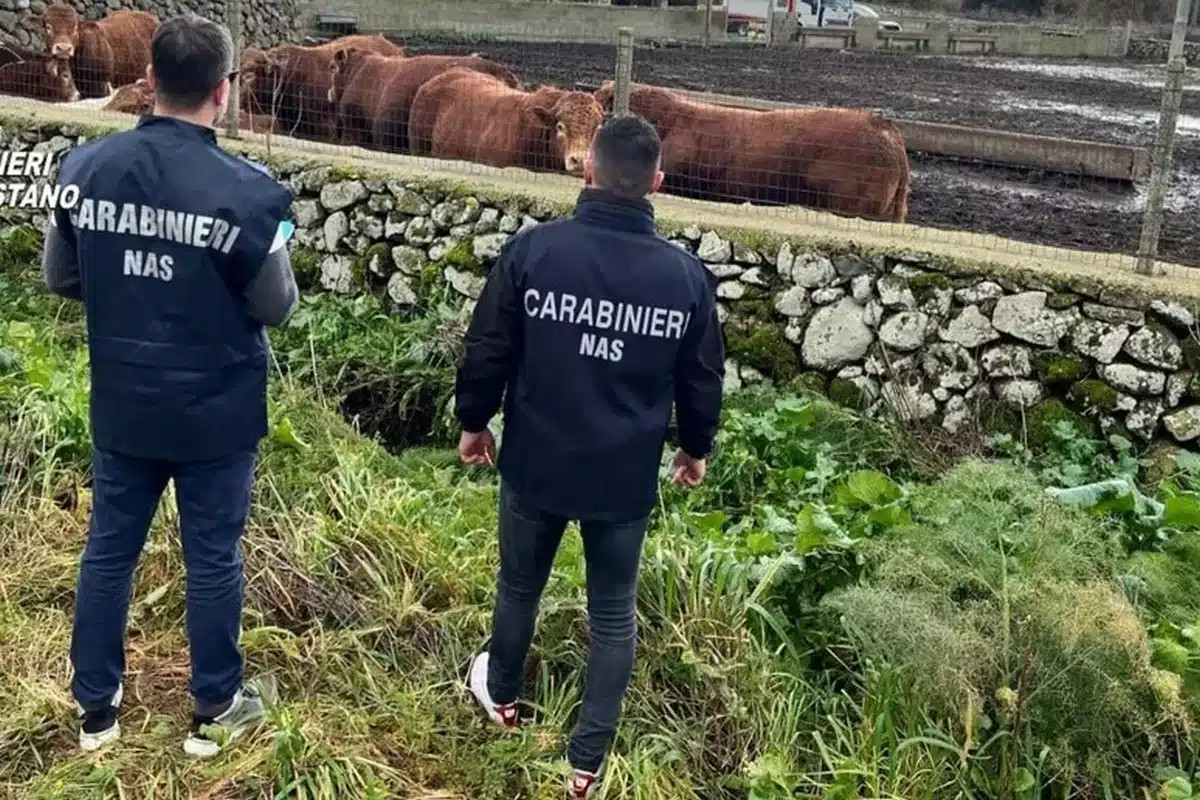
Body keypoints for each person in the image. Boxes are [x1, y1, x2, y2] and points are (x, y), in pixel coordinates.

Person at [41, 13, 297, 757]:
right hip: (216, 410)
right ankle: (216, 706)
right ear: (223, 90)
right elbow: (275, 304)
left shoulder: (83, 171)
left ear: (148, 80)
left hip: (124, 400)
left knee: (108, 550)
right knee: (213, 554)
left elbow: (61, 276)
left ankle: (97, 710)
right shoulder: (253, 196)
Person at [455, 114, 725, 799]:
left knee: (520, 587)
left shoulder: (533, 253)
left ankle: (504, 698)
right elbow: (701, 379)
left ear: (587, 170)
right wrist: (694, 448)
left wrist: (473, 423)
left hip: (536, 463)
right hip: (622, 476)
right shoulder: (685, 278)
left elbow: (488, 347)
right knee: (613, 613)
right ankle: (586, 762)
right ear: (657, 184)